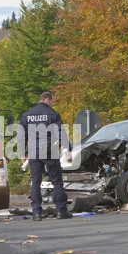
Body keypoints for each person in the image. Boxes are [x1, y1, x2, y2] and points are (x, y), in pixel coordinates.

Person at [19, 92, 73, 221]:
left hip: (34, 152)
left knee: (35, 182)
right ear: (48, 99)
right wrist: (68, 150)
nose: (52, 103)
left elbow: (22, 136)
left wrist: (23, 154)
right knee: (57, 181)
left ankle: (37, 213)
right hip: (50, 150)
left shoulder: (27, 115)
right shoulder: (53, 114)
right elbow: (61, 133)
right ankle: (61, 211)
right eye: (52, 101)